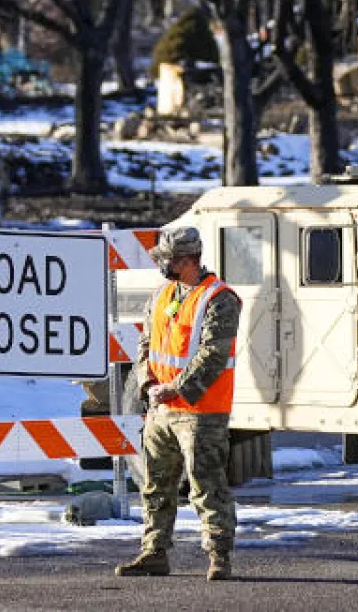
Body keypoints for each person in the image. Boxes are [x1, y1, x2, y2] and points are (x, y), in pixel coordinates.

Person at [115, 225, 241, 582]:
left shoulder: (219, 298)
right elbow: (145, 345)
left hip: (202, 411)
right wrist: (148, 383)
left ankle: (219, 556)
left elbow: (213, 355)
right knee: (156, 484)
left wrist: (176, 389)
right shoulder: (162, 295)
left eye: (168, 260)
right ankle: (154, 552)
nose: (162, 265)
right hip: (162, 409)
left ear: (188, 260)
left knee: (207, 485)